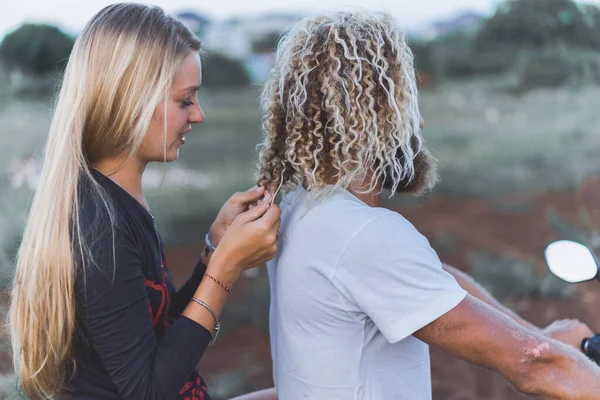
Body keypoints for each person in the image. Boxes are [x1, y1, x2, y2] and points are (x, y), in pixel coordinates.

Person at [254, 11, 600, 400]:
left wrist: (537, 335)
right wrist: (544, 349)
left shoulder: (301, 212)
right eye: (404, 95)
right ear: (380, 112)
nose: (416, 122)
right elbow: (535, 364)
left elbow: (436, 275)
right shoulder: (366, 236)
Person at [8, 3, 281, 399]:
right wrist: (225, 269)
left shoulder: (118, 201)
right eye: (185, 101)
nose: (199, 115)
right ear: (132, 100)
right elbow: (148, 391)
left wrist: (212, 251)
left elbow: (154, 330)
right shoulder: (100, 224)